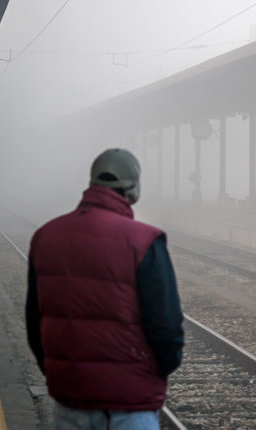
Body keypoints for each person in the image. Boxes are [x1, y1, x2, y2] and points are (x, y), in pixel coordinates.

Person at [25, 148, 184, 430]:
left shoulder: (45, 237)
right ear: (133, 190)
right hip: (131, 405)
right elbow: (167, 328)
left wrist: (61, 373)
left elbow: (34, 322)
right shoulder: (145, 242)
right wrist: (154, 372)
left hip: (70, 401)